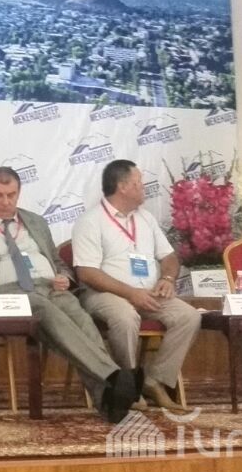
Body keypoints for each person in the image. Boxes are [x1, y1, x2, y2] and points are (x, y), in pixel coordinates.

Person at [0, 166, 140, 423]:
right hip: (5, 295)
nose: (5, 201)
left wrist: (64, 278)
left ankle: (108, 399)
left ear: (19, 193)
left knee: (80, 317)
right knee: (41, 307)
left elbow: (59, 263)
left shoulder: (36, 222)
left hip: (50, 289)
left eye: (11, 195)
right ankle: (113, 375)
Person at [71, 159, 198, 413]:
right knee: (125, 317)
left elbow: (169, 257)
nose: (144, 187)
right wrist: (131, 293)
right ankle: (127, 386)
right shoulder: (90, 221)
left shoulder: (146, 219)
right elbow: (86, 273)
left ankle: (154, 380)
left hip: (148, 293)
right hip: (105, 294)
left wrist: (167, 279)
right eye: (139, 182)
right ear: (123, 187)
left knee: (189, 316)